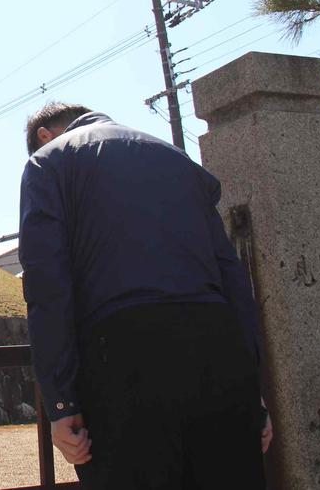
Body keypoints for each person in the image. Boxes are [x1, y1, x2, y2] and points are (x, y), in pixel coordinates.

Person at [18, 102, 273, 490]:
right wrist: (253, 391)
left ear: (43, 135)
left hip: (123, 357)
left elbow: (47, 287)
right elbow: (233, 279)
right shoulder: (178, 159)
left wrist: (60, 401)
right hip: (219, 350)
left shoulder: (48, 161)